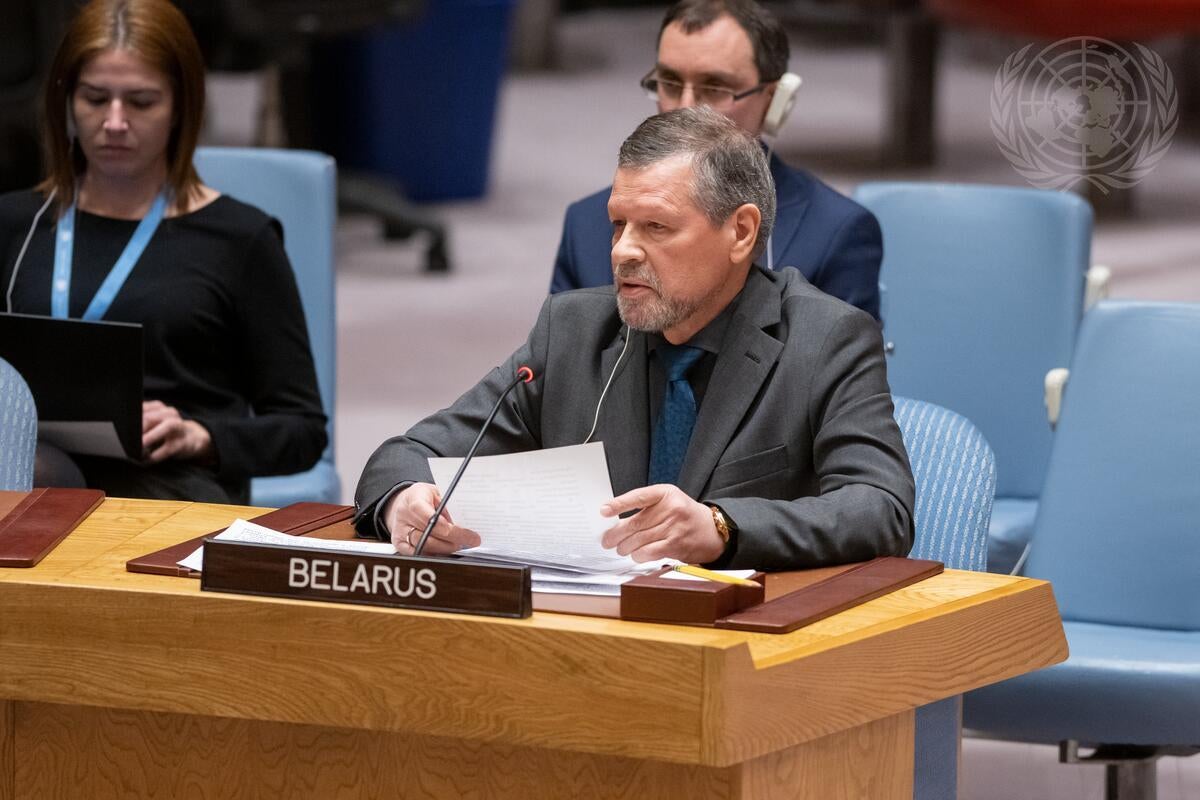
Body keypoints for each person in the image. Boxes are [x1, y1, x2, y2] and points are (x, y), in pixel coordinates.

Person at [356, 107, 913, 571]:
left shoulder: (826, 339)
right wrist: (405, 500)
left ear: (740, 232)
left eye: (656, 227)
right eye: (618, 224)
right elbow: (406, 455)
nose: (623, 251)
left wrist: (723, 526)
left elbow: (881, 507)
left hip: (746, 648)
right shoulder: (574, 331)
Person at [0, 0, 326, 505]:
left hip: (168, 486)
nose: (113, 122)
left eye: (141, 102)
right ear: (66, 101)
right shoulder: (17, 223)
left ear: (181, 108)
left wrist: (201, 436)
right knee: (35, 476)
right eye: (94, 98)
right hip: (30, 467)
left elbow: (303, 431)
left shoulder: (241, 239)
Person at [549, 0, 884, 321]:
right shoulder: (587, 227)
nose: (686, 107)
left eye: (715, 87)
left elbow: (841, 372)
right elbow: (561, 371)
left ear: (775, 100)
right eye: (670, 82)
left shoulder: (835, 233)